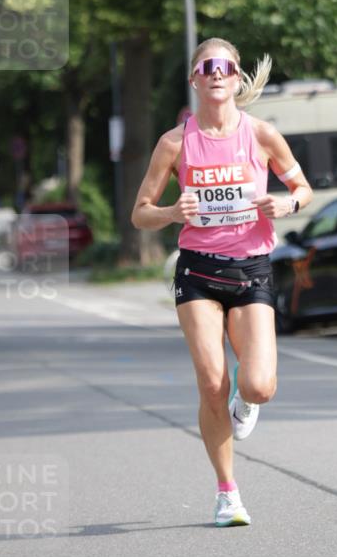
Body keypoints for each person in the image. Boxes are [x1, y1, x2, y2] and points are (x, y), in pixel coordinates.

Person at [132, 38, 312, 526]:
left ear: (236, 79)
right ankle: (227, 492)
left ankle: (245, 402)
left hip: (252, 269)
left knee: (259, 386)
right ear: (194, 78)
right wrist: (171, 212)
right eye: (206, 66)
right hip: (198, 272)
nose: (216, 73)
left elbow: (302, 188)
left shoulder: (262, 135)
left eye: (225, 67)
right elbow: (140, 213)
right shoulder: (175, 143)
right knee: (212, 382)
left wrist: (288, 203)